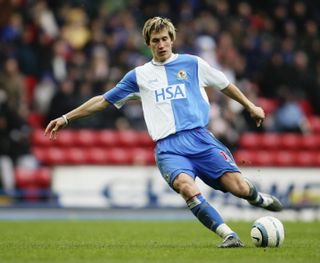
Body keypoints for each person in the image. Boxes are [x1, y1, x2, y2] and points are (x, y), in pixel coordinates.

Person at [45, 17, 283, 248]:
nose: (161, 45)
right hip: (169, 148)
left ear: (172, 39)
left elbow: (225, 85)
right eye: (155, 40)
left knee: (239, 187)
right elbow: (104, 100)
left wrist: (251, 106)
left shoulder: (193, 64)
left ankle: (258, 198)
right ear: (148, 43)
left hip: (200, 139)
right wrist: (67, 117)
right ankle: (228, 234)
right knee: (185, 186)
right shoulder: (139, 76)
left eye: (164, 39)